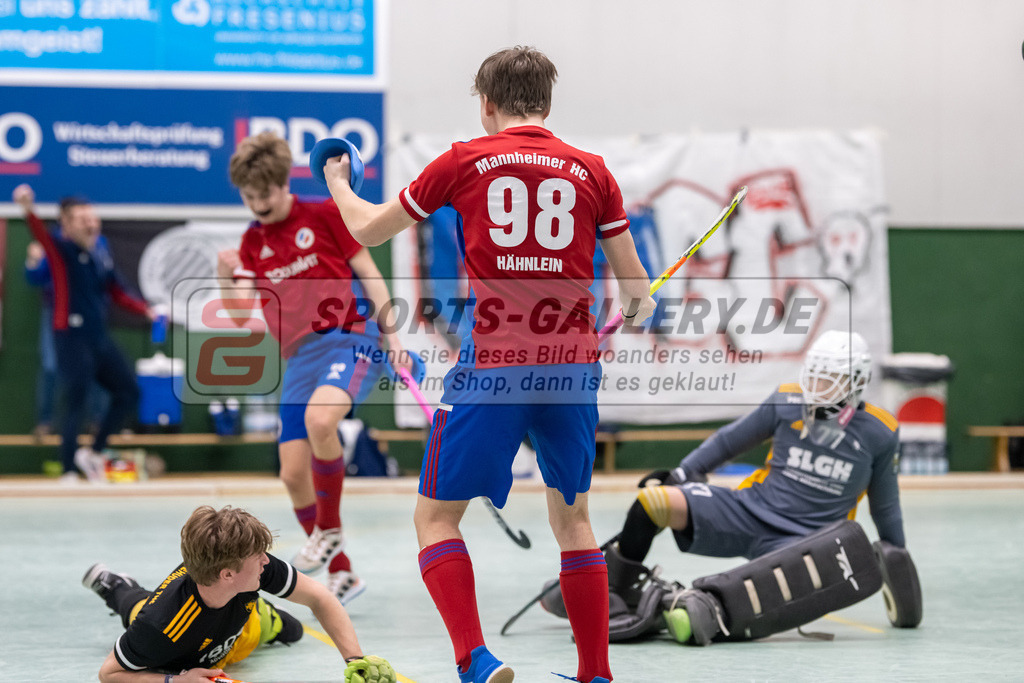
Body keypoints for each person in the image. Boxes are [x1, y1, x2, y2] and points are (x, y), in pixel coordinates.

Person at [323, 46, 656, 683]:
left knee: (436, 517)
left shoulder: (464, 161)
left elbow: (366, 230)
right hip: (570, 371)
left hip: (494, 366)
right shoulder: (593, 171)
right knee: (575, 520)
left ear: (486, 104)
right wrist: (640, 304)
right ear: (548, 105)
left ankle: (475, 660)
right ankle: (595, 675)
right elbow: (637, 296)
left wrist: (338, 182)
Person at [590, 329, 918, 644]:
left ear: (856, 383)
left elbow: (885, 506)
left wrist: (896, 555)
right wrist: (683, 473)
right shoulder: (788, 400)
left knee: (758, 590)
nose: (817, 386)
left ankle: (685, 609)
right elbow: (730, 440)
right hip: (750, 510)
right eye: (815, 375)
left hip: (806, 544)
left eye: (829, 380)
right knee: (654, 502)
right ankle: (615, 593)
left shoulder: (880, 432)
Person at [217, 131, 410, 605]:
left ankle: (328, 529)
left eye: (265, 193)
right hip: (298, 358)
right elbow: (241, 314)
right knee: (290, 473)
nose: (258, 203)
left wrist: (394, 335)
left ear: (283, 184)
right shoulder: (251, 243)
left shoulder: (323, 214)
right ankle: (343, 571)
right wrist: (225, 275)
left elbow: (368, 269)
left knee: (321, 420)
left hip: (349, 337)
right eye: (249, 196)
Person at [82, 505, 396, 682]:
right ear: (228, 573)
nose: (266, 561)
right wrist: (175, 681)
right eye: (258, 557)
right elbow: (109, 674)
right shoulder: (161, 624)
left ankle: (122, 586)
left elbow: (319, 597)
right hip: (180, 646)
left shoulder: (254, 567)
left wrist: (355, 659)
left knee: (294, 631)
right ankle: (116, 586)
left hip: (245, 624)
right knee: (139, 612)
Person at [13, 185, 155, 483]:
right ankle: (67, 468)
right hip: (69, 336)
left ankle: (94, 452)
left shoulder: (100, 253)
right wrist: (27, 208)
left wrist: (146, 310)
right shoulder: (59, 250)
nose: (90, 223)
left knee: (128, 391)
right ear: (65, 224)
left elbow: (117, 289)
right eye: (81, 219)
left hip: (97, 336)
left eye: (93, 218)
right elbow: (40, 233)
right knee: (76, 398)